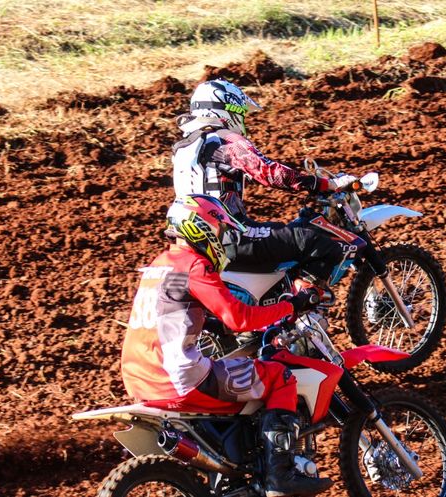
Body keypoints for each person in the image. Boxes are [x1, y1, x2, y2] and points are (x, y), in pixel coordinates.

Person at [121, 194, 333, 496]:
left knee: (231, 369)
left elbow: (171, 313)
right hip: (179, 380)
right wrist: (292, 306)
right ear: (201, 228)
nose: (222, 239)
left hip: (138, 379)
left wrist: (211, 323)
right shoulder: (194, 265)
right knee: (279, 377)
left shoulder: (161, 265)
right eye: (220, 230)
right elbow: (239, 317)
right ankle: (280, 476)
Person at [172, 79, 358, 295]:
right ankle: (299, 305)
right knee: (321, 242)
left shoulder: (186, 146)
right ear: (228, 110)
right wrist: (322, 184)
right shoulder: (223, 139)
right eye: (242, 113)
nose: (243, 120)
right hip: (231, 237)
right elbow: (268, 171)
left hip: (192, 238)